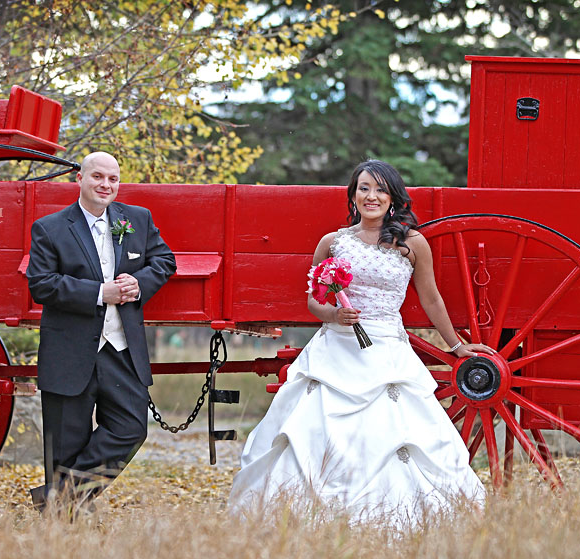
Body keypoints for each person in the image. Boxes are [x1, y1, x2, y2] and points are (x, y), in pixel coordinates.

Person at [228, 159, 490, 525]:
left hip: (386, 349)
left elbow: (431, 298)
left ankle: (394, 516)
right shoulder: (333, 243)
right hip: (336, 348)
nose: (372, 196)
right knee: (310, 429)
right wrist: (334, 315)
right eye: (364, 188)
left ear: (393, 198)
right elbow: (313, 300)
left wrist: (456, 345)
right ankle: (302, 514)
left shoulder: (412, 244)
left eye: (381, 189)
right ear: (353, 196)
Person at [26, 151, 176, 512]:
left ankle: (56, 502)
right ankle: (62, 528)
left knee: (129, 429)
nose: (105, 185)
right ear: (79, 179)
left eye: (112, 179)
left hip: (120, 346)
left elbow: (164, 261)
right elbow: (41, 284)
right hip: (70, 350)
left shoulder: (136, 219)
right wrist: (99, 293)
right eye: (97, 177)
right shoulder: (51, 227)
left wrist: (138, 285)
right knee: (65, 444)